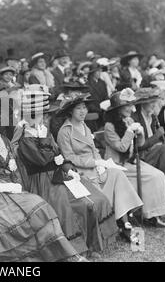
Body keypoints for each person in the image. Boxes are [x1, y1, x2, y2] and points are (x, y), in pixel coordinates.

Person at [0, 103, 87, 262]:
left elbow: (15, 169)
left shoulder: (5, 140)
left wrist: (15, 181)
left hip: (10, 190)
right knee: (12, 219)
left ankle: (67, 255)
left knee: (40, 207)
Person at [11, 90, 118, 255]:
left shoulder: (44, 130)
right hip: (41, 182)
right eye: (37, 114)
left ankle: (91, 245)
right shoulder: (24, 133)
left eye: (43, 115)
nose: (42, 118)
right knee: (66, 209)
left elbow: (58, 154)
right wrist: (54, 158)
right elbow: (38, 158)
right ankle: (73, 251)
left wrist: (68, 168)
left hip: (58, 175)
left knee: (91, 200)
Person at [57, 92, 143, 241]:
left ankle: (126, 221)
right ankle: (125, 223)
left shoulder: (85, 126)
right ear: (70, 111)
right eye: (79, 108)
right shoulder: (65, 132)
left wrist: (101, 162)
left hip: (96, 169)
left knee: (117, 174)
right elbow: (69, 158)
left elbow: (94, 150)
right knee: (112, 178)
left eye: (84, 107)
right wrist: (94, 163)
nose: (83, 111)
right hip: (81, 173)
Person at [103, 89, 165, 227]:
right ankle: (141, 215)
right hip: (116, 164)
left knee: (158, 175)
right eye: (125, 106)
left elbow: (139, 145)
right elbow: (121, 148)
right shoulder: (109, 126)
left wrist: (140, 133)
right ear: (117, 109)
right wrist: (129, 132)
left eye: (130, 105)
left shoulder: (129, 121)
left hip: (130, 161)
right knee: (152, 176)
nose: (130, 108)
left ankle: (153, 214)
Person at [133, 87, 165, 203]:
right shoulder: (135, 119)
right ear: (142, 104)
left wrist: (161, 138)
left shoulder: (152, 117)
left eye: (154, 102)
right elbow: (139, 146)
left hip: (152, 153)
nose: (153, 105)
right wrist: (157, 136)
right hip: (140, 156)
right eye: (150, 103)